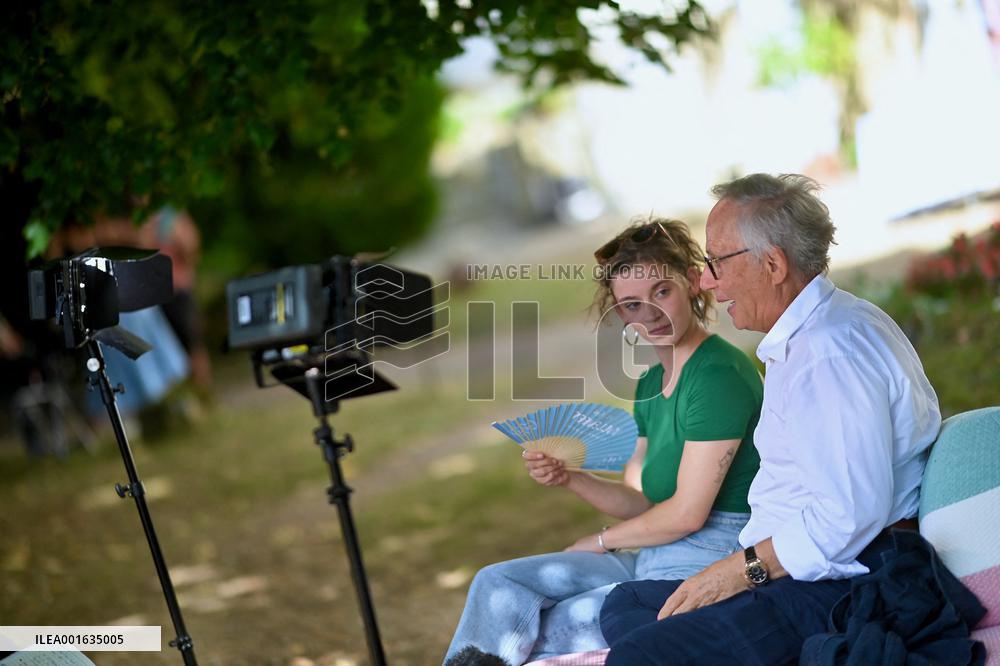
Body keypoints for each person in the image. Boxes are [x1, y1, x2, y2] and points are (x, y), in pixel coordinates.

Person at [599, 174, 942, 665]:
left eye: (717, 262)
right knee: (627, 603)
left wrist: (740, 572)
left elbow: (849, 518)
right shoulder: (812, 336)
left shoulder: (827, 355)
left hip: (846, 582)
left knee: (639, 655)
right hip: (804, 568)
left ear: (774, 263)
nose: (707, 282)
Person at [444, 219, 764, 666]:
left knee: (544, 633)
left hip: (709, 555)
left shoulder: (716, 376)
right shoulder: (651, 382)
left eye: (661, 293)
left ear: (693, 282)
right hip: (653, 550)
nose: (649, 313)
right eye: (631, 304)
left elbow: (688, 514)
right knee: (498, 586)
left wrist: (599, 541)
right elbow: (643, 502)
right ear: (620, 314)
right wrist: (573, 479)